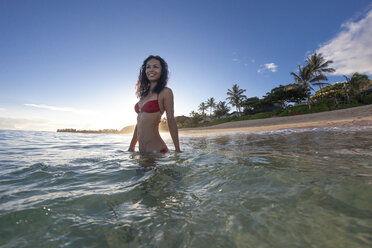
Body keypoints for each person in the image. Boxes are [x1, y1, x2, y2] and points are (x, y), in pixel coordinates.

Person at [128, 55, 181, 153]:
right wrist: (131, 147)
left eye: (155, 67)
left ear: (162, 71)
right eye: (148, 67)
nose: (151, 70)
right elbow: (139, 123)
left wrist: (177, 150)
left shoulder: (165, 92)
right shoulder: (143, 96)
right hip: (142, 154)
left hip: (157, 152)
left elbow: (171, 120)